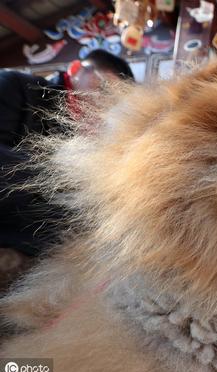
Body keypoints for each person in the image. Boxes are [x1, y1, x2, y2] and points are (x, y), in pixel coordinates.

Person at [0, 50, 134, 257]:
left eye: (114, 101)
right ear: (75, 69)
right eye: (104, 88)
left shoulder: (81, 135)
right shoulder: (14, 85)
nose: (102, 102)